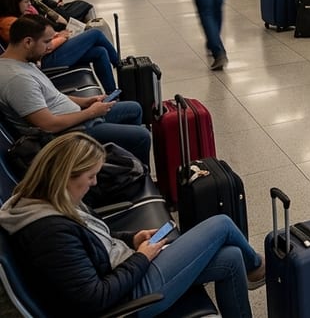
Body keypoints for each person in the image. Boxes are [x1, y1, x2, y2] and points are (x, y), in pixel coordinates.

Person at [0, 133, 264, 317]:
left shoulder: (46, 198)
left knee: (230, 258)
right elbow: (95, 298)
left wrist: (131, 238)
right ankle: (259, 267)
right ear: (64, 176)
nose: (93, 183)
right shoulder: (49, 233)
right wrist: (141, 257)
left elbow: (92, 237)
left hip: (123, 268)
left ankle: (251, 273)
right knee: (222, 224)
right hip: (130, 299)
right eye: (90, 176)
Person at [0, 16, 151, 164]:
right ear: (28, 42)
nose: (49, 47)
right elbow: (47, 125)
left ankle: (125, 161)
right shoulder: (17, 80)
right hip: (68, 134)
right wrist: (91, 112)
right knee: (142, 136)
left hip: (77, 119)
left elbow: (52, 96)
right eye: (46, 42)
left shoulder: (22, 63)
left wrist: (86, 102)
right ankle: (138, 176)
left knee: (134, 109)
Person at [0, 0, 121, 95]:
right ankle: (120, 65)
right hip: (43, 60)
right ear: (14, 3)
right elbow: (45, 47)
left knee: (99, 52)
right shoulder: (10, 24)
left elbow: (39, 39)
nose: (29, 6)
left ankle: (112, 94)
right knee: (95, 33)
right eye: (26, 2)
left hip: (43, 57)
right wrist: (63, 37)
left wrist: (57, 35)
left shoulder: (13, 20)